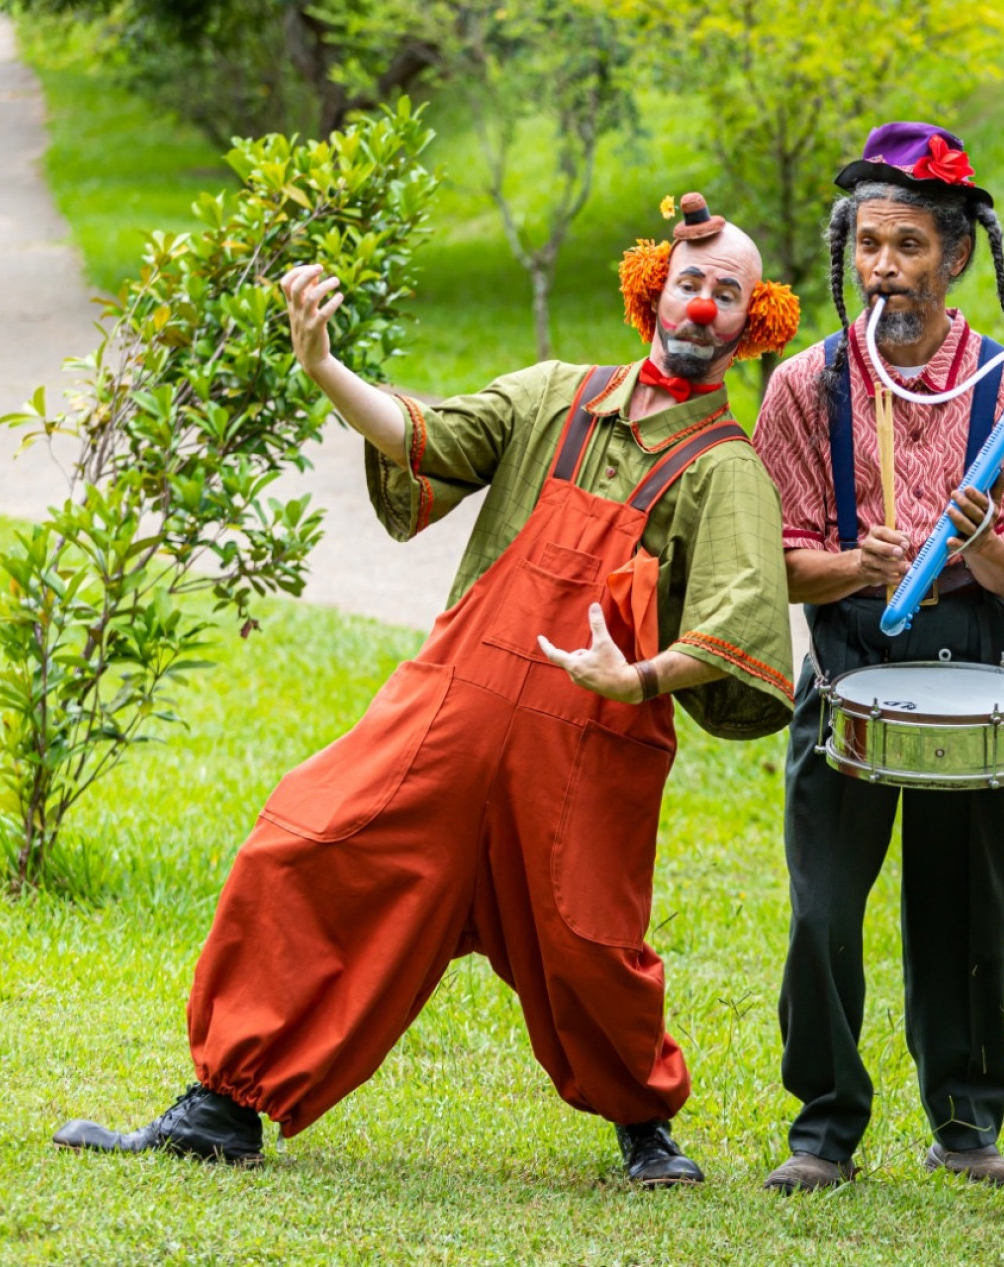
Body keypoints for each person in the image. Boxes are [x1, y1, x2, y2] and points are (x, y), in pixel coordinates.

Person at [50, 193, 803, 1188]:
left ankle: (644, 1131)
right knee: (302, 845)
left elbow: (741, 610)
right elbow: (427, 436)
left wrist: (639, 674)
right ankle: (222, 1108)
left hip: (583, 750)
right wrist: (322, 365)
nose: (702, 303)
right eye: (691, 280)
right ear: (653, 288)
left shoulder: (726, 470)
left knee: (590, 946)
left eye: (728, 291)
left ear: (753, 322)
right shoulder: (553, 397)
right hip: (446, 715)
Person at [749, 122, 1004, 1192]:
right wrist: (853, 565)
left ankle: (966, 1124)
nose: (886, 268)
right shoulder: (807, 385)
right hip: (845, 665)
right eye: (870, 246)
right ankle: (823, 1127)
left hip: (975, 659)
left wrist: (975, 545)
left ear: (958, 254)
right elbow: (778, 566)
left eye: (911, 246)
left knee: (964, 904)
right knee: (824, 904)